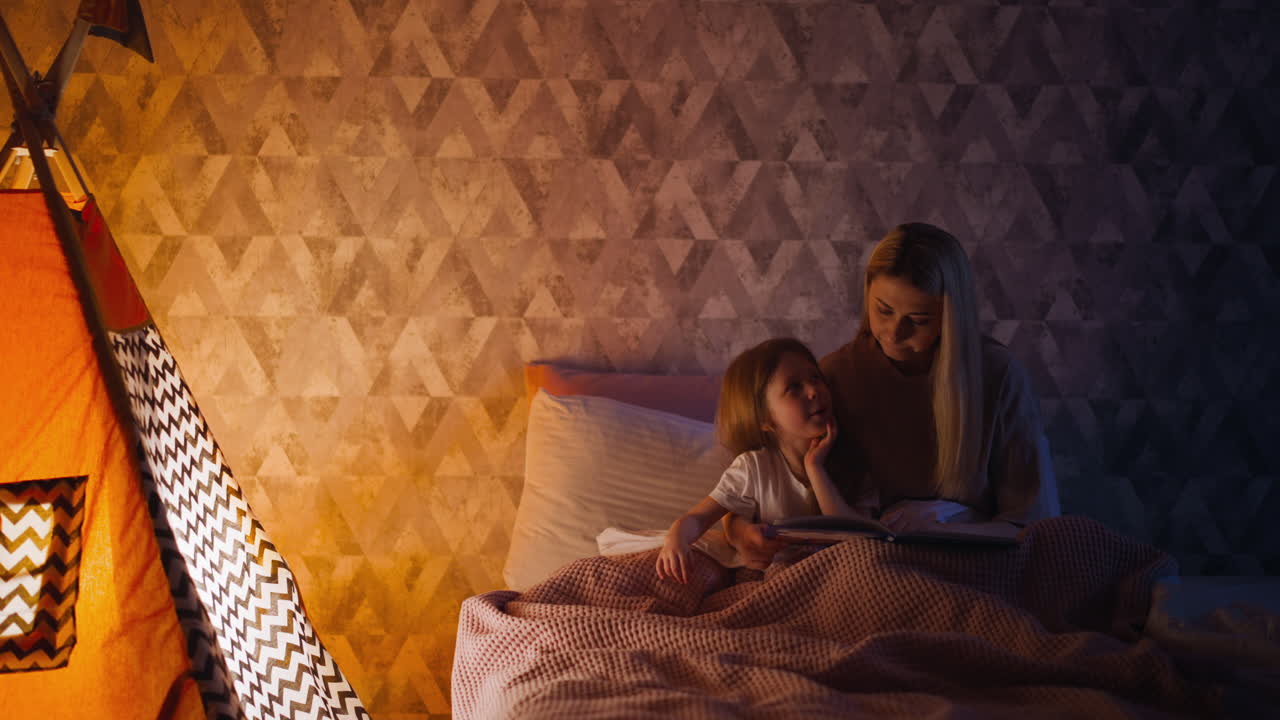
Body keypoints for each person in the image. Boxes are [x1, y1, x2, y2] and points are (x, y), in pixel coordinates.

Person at [725, 223, 1060, 567]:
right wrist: (737, 530)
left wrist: (946, 534)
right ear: (867, 293)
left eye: (918, 319)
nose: (894, 333)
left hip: (975, 559)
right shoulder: (835, 377)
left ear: (951, 317)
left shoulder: (1000, 376)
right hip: (874, 563)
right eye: (883, 310)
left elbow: (1031, 525)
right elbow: (766, 478)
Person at [655, 338, 853, 583]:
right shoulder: (754, 467)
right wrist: (676, 539)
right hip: (774, 576)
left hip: (833, 578)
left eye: (815, 378)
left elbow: (854, 540)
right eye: (794, 387)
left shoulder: (849, 458)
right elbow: (699, 517)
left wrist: (816, 469)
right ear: (765, 418)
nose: (814, 391)